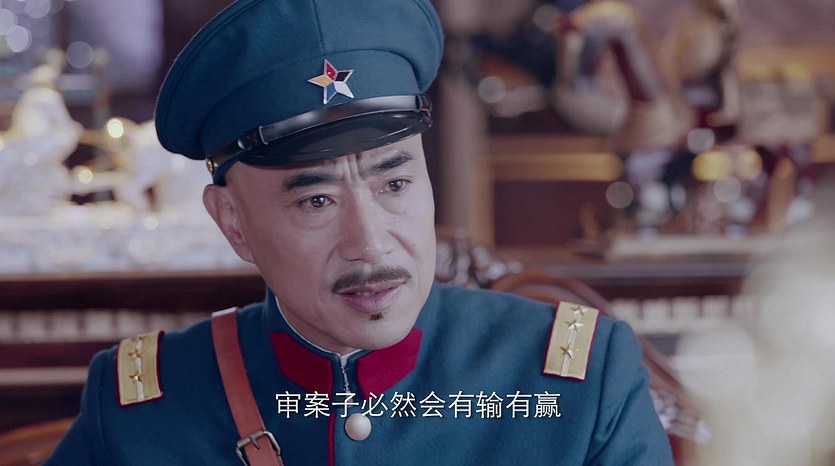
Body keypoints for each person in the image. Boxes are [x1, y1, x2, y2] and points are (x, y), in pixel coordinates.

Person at [46, 0, 672, 464]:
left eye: (394, 184)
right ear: (233, 222)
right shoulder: (144, 408)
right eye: (316, 200)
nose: (371, 245)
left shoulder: (578, 380)